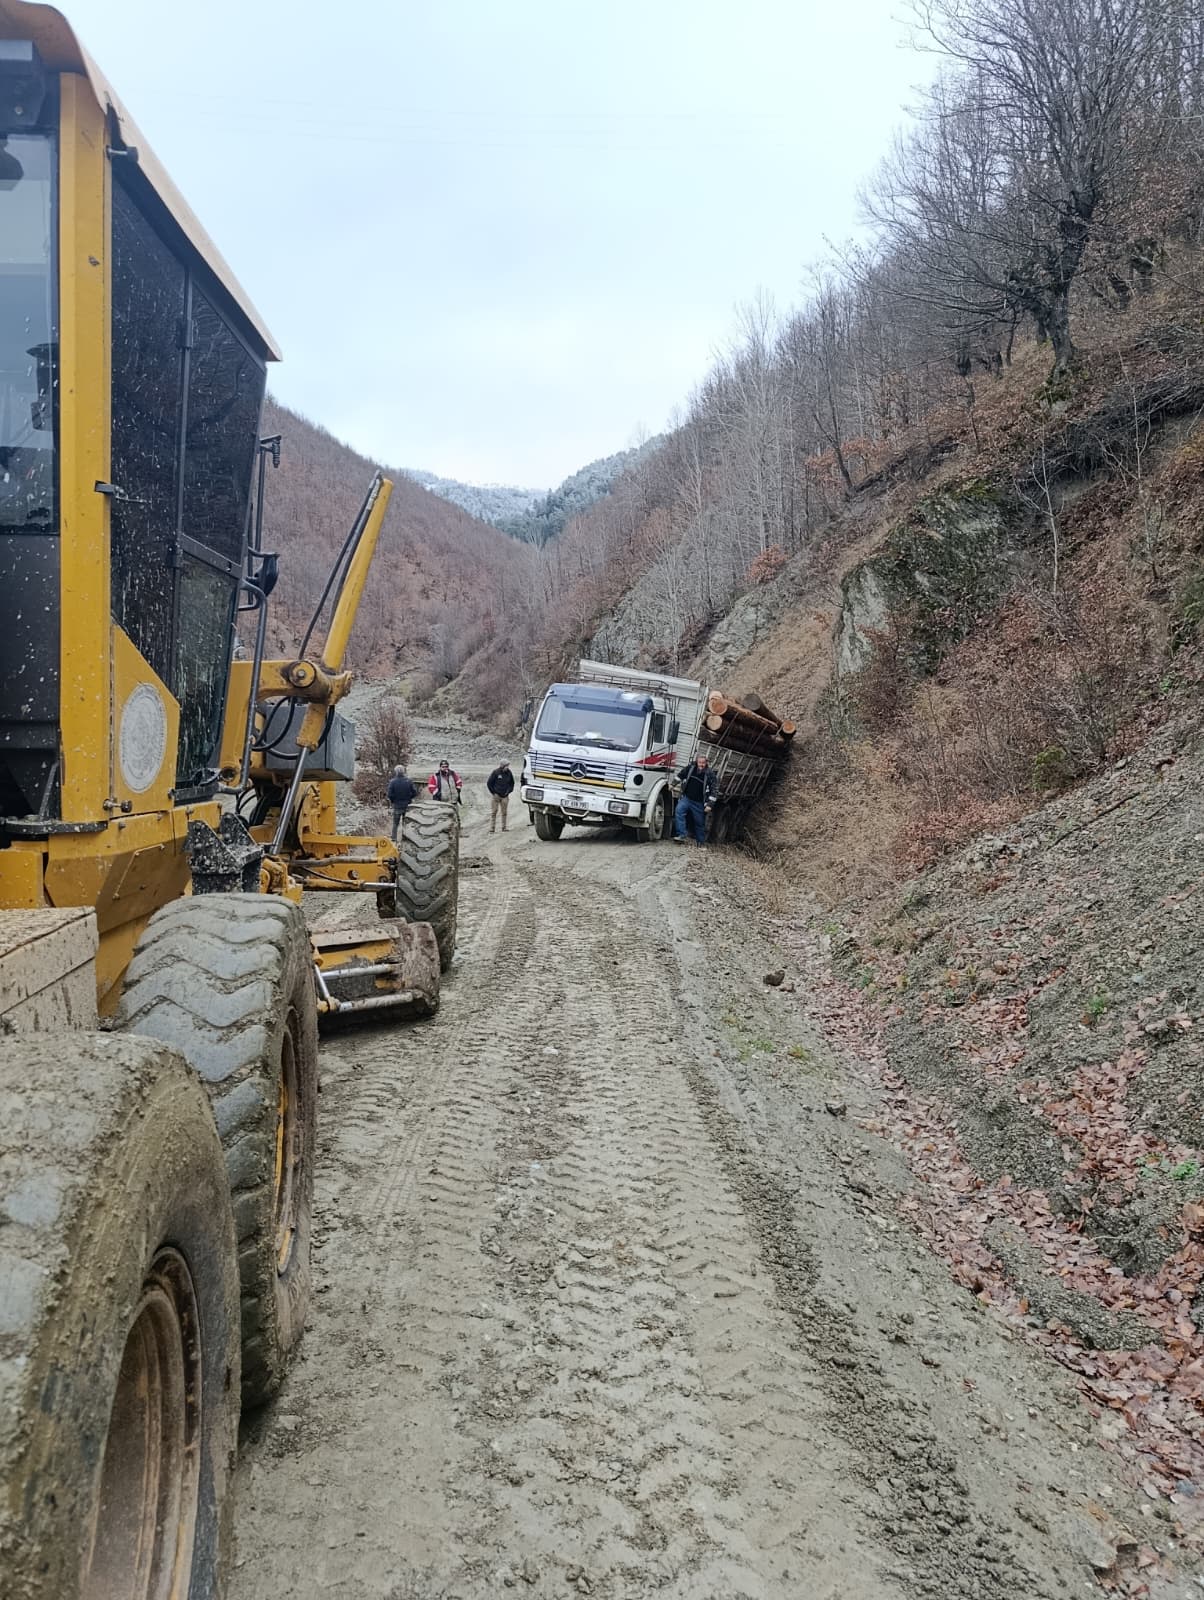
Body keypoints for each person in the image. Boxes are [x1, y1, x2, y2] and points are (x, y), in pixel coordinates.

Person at [674, 754, 716, 848]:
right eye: (699, 762)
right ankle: (682, 835)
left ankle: (700, 842)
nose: (701, 765)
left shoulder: (710, 774)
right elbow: (680, 775)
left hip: (699, 802)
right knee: (679, 811)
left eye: (703, 763)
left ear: (706, 763)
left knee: (699, 822)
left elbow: (714, 790)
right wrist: (672, 784)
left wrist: (709, 805)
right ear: (697, 762)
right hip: (687, 798)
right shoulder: (690, 769)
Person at [386, 764, 416, 842]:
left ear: (395, 772)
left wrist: (393, 801)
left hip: (397, 805)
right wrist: (410, 798)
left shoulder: (392, 782)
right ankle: (405, 838)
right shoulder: (408, 781)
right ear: (404, 771)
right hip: (407, 805)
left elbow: (389, 794)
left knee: (395, 823)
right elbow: (414, 792)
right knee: (406, 823)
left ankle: (393, 839)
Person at [486, 760, 515, 833]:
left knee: (504, 812)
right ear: (502, 766)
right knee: (494, 812)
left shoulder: (509, 773)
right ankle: (492, 828)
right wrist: (493, 793)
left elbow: (512, 783)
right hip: (496, 796)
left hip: (505, 796)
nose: (507, 767)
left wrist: (509, 791)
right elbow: (489, 783)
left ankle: (504, 828)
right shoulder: (495, 772)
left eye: (508, 766)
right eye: (506, 766)